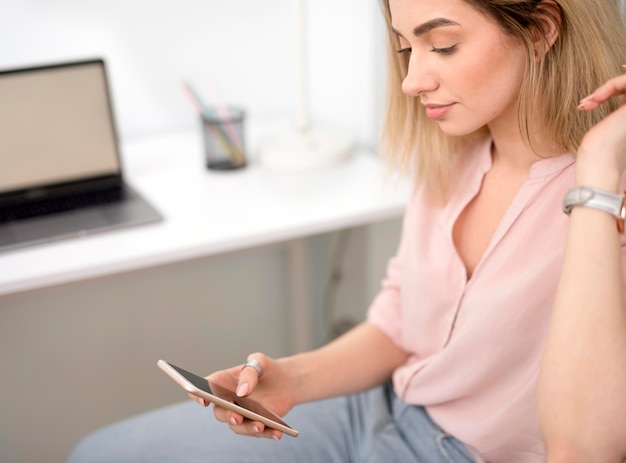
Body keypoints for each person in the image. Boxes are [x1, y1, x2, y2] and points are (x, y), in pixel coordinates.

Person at [68, 0, 626, 462]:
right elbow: (400, 323)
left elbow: (584, 449)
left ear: (542, 29)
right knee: (99, 452)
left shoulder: (605, 203)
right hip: (380, 410)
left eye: (444, 45)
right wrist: (292, 380)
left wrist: (598, 164)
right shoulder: (456, 152)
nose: (411, 80)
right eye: (407, 47)